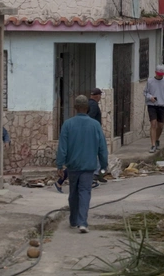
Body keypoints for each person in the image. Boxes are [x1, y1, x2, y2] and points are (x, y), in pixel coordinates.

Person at [55, 95, 108, 233]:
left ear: (75, 108)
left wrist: (60, 165)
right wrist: (104, 165)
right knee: (85, 192)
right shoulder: (95, 125)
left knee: (73, 193)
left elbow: (62, 147)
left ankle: (73, 220)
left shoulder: (68, 124)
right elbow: (102, 147)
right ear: (87, 108)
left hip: (73, 166)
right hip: (88, 166)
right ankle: (82, 222)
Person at [87, 87, 107, 184]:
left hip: (90, 132)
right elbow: (90, 119)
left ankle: (97, 174)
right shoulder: (94, 105)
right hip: (94, 132)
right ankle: (96, 173)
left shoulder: (88, 103)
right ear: (97, 96)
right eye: (100, 95)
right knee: (99, 152)